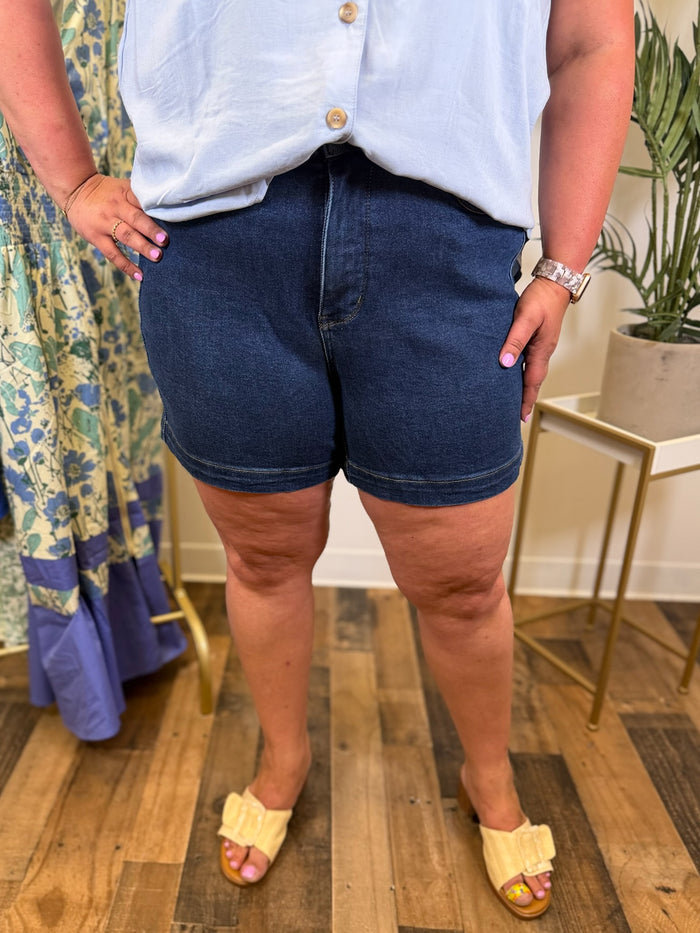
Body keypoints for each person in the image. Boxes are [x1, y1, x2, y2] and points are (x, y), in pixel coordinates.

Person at [1, 0, 635, 919]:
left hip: (447, 240)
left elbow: (591, 35)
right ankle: (282, 759)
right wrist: (69, 180)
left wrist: (564, 263)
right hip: (215, 245)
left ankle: (490, 777)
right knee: (262, 557)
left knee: (460, 578)